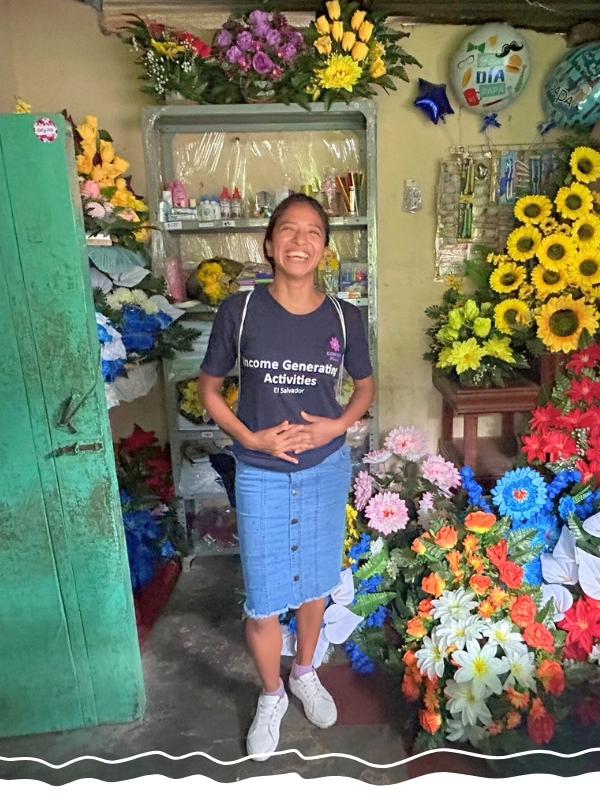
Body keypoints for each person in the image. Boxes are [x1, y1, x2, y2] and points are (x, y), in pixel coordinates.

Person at [197, 194, 375, 761]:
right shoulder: (241, 311)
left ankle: (303, 672)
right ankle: (271, 694)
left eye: (313, 232)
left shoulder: (347, 316)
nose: (301, 241)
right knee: (264, 596)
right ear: (269, 244)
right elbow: (209, 388)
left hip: (325, 469)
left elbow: (364, 386)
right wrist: (248, 438)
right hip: (261, 472)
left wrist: (337, 426)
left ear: (324, 247)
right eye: (289, 231)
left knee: (316, 582)